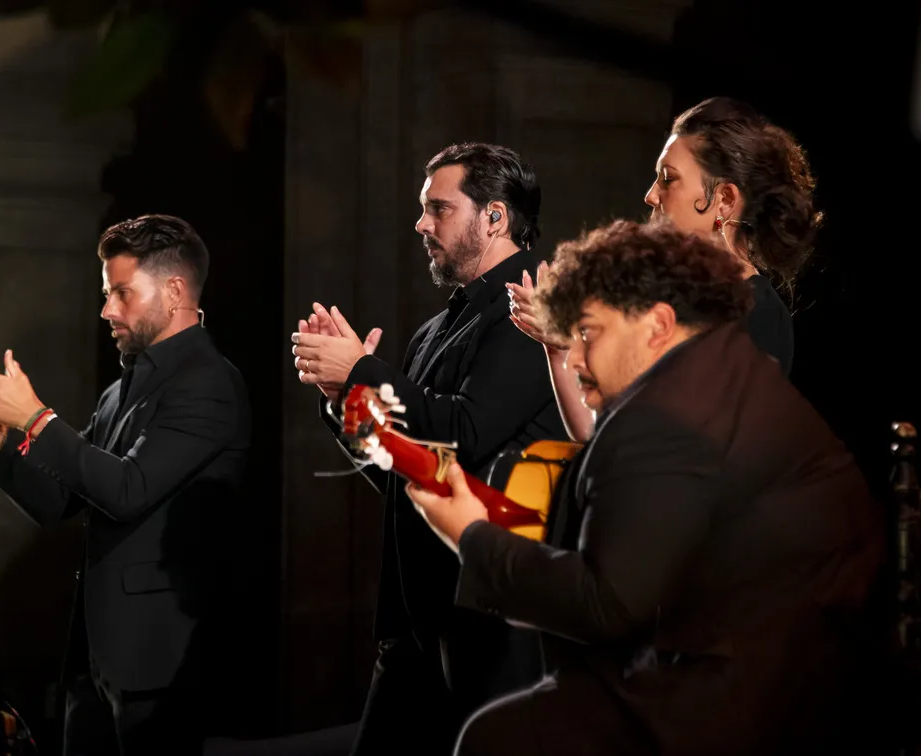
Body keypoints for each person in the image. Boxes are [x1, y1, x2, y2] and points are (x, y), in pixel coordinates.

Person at [406, 219, 884, 755]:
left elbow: (608, 606)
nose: (578, 358)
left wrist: (472, 534)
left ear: (657, 325)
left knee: (490, 738)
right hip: (800, 678)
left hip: (742, 705)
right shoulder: (724, 374)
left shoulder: (664, 418)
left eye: (588, 334)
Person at [290, 143, 566, 754]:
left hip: (489, 619)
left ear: (495, 217)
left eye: (438, 209)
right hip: (415, 621)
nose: (420, 224)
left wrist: (361, 368)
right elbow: (401, 472)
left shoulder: (532, 312)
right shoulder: (435, 329)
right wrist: (344, 399)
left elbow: (463, 435)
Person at [0, 213, 250, 756]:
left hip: (161, 662)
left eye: (122, 293)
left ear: (176, 290)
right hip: (96, 659)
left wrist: (37, 419)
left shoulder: (210, 382)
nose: (107, 309)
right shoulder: (120, 391)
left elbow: (128, 489)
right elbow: (59, 500)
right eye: (107, 293)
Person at [508, 96, 820, 440]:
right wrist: (560, 350)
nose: (650, 195)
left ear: (725, 199)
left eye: (668, 179)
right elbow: (597, 435)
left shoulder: (758, 314)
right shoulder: (662, 303)